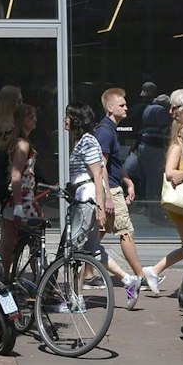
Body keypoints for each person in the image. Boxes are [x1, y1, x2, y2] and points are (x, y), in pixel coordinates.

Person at [92, 88, 149, 301]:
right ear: (110, 108)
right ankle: (140, 276)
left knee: (97, 233)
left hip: (115, 186)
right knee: (126, 231)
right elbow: (101, 166)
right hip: (111, 189)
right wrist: (107, 195)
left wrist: (128, 181)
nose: (126, 108)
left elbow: (114, 163)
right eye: (122, 105)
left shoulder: (110, 130)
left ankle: (87, 273)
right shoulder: (105, 132)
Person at [147, 100, 183, 288]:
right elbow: (169, 172)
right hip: (180, 203)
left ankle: (157, 271)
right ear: (179, 130)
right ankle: (156, 271)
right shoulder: (177, 147)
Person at [64, 101, 114, 272]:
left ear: (76, 120)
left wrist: (100, 208)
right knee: (86, 251)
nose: (65, 120)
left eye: (68, 116)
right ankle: (76, 295)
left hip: (86, 200)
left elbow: (98, 174)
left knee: (73, 250)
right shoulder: (83, 141)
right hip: (84, 198)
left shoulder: (87, 141)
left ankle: (72, 296)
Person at [0, 97, 41, 271]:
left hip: (14, 199)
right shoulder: (22, 144)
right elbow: (16, 174)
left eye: (35, 116)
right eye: (30, 117)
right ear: (21, 120)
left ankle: (4, 278)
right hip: (22, 199)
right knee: (36, 239)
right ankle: (41, 282)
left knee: (8, 244)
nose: (35, 119)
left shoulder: (18, 142)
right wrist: (20, 205)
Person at [133, 83, 171, 206]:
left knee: (147, 178)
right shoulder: (159, 110)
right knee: (155, 180)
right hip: (154, 147)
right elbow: (166, 130)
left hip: (145, 146)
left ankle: (147, 207)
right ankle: (154, 210)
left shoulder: (148, 108)